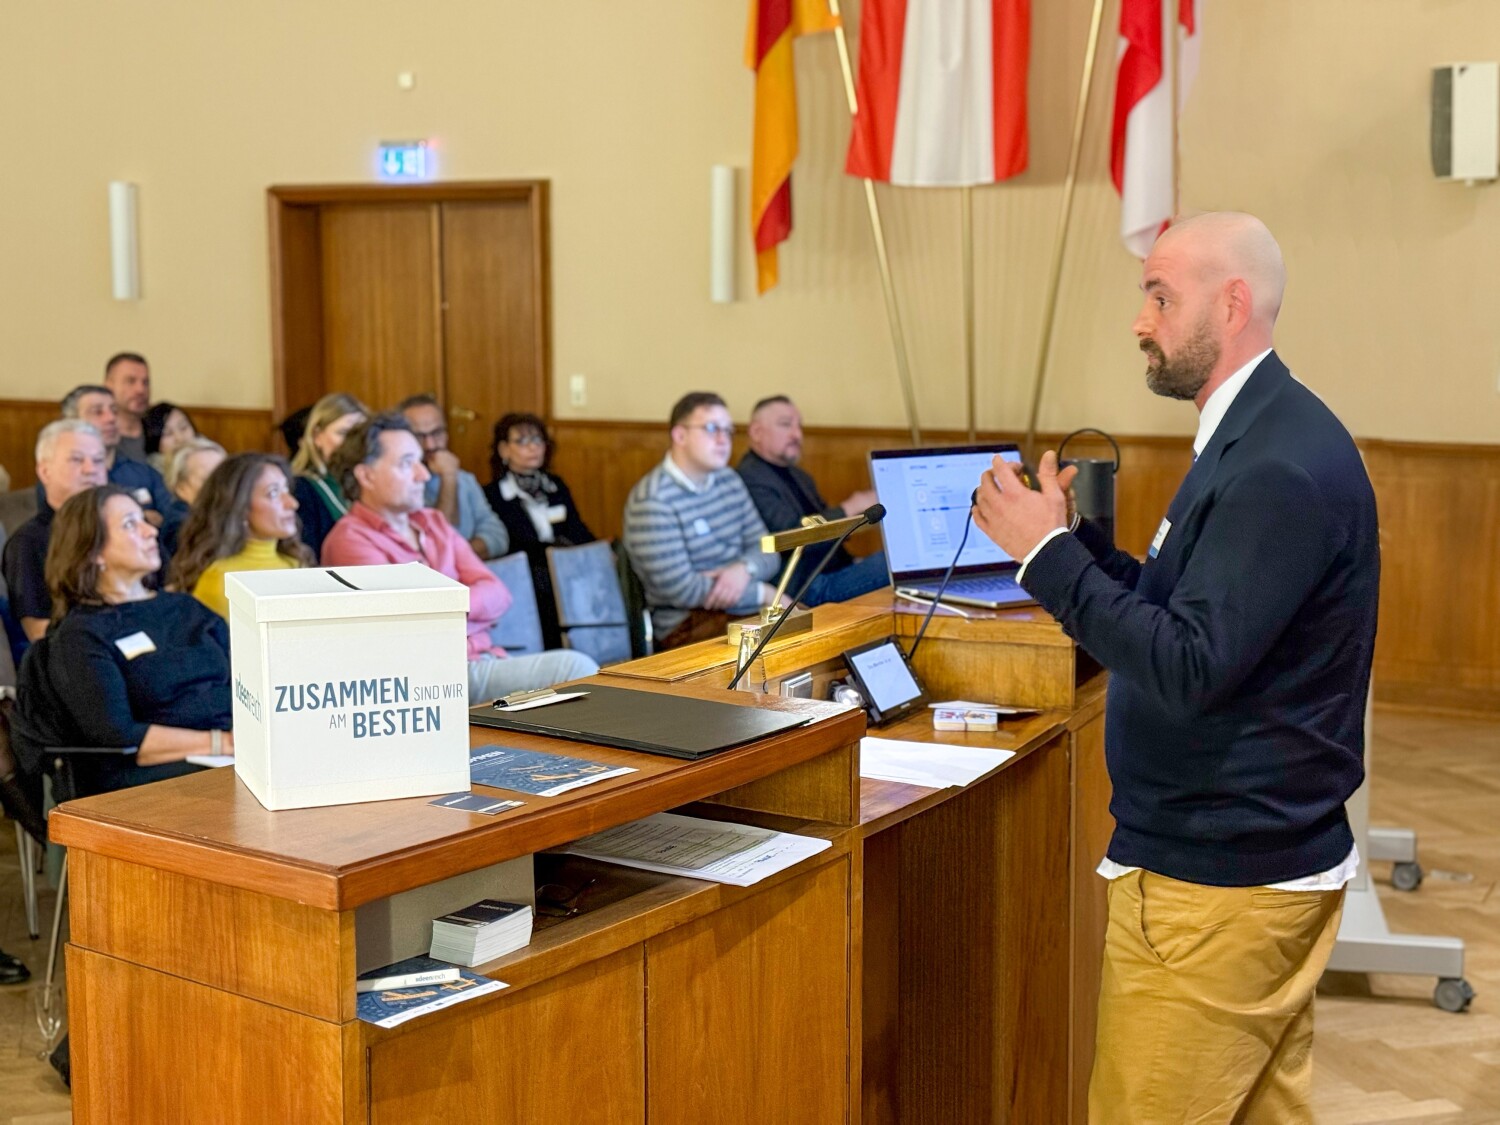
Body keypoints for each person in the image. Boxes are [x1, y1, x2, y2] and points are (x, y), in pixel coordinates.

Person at [971, 212, 1379, 1123]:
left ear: (1233, 304)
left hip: (1218, 884)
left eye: (1161, 296)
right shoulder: (1257, 432)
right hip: (1245, 866)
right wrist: (1072, 543)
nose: (1140, 320)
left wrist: (1047, 560)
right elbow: (1181, 607)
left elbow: (1190, 663)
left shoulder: (1276, 462)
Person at [320, 414, 597, 702]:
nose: (423, 475)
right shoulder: (350, 541)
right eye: (406, 464)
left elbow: (498, 593)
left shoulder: (433, 522)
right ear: (366, 475)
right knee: (575, 668)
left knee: (583, 677)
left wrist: (445, 604)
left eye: (420, 462)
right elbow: (411, 629)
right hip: (429, 679)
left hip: (483, 658)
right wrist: (468, 609)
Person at [11, 484, 232, 797]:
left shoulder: (187, 608)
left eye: (144, 520)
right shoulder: (80, 635)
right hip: (140, 782)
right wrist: (220, 742)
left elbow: (248, 684)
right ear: (93, 551)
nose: (150, 532)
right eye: (130, 524)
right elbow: (118, 735)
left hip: (227, 759)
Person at [623, 393, 783, 648]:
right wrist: (762, 593)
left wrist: (743, 570)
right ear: (680, 436)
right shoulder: (652, 500)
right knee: (789, 639)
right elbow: (682, 589)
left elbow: (768, 549)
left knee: (815, 631)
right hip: (684, 628)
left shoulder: (729, 480)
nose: (723, 440)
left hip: (742, 610)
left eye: (728, 431)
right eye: (711, 429)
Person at [736, 395, 889, 606]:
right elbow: (789, 537)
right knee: (894, 564)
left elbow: (830, 538)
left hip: (836, 570)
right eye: (785, 425)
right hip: (804, 585)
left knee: (898, 562)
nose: (797, 434)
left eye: (799, 426)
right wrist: (851, 506)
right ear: (756, 432)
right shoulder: (748, 478)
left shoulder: (800, 476)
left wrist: (853, 562)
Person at [483, 412, 595, 649]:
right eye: (522, 441)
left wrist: (597, 550)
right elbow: (511, 546)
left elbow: (576, 529)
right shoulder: (494, 495)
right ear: (504, 450)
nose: (533, 448)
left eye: (537, 440)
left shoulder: (556, 487)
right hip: (527, 578)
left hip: (565, 571)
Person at [169, 453, 313, 618]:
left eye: (286, 490)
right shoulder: (222, 582)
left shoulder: (295, 562)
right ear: (240, 508)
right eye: (273, 494)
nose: (292, 503)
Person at [2, 420, 108, 640]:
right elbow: (39, 633)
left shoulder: (129, 527)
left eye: (98, 460)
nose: (91, 470)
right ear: (45, 471)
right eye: (77, 460)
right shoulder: (29, 543)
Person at [397, 394, 510, 560]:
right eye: (419, 436)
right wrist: (448, 478)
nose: (430, 445)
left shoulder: (465, 480)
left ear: (446, 434)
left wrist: (457, 557)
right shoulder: (399, 486)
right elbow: (435, 542)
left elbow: (498, 536)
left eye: (436, 433)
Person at [59, 385, 174, 523]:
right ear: (72, 422)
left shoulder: (145, 473)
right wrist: (140, 518)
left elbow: (171, 521)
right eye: (98, 412)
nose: (111, 418)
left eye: (114, 411)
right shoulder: (59, 475)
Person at [291, 392, 367, 561]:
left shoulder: (370, 484)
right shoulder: (301, 489)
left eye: (359, 435)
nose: (352, 444)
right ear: (317, 436)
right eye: (343, 433)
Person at [159, 437, 227, 557]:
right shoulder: (179, 527)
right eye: (208, 479)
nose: (220, 484)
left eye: (225, 475)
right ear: (180, 486)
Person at [103, 352, 152, 464]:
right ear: (108, 386)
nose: (140, 390)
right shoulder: (93, 435)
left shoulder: (158, 433)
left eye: (145, 382)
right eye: (131, 381)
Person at [142, 402, 199, 474]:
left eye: (183, 427)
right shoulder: (151, 475)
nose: (179, 438)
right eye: (168, 433)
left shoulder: (210, 456)